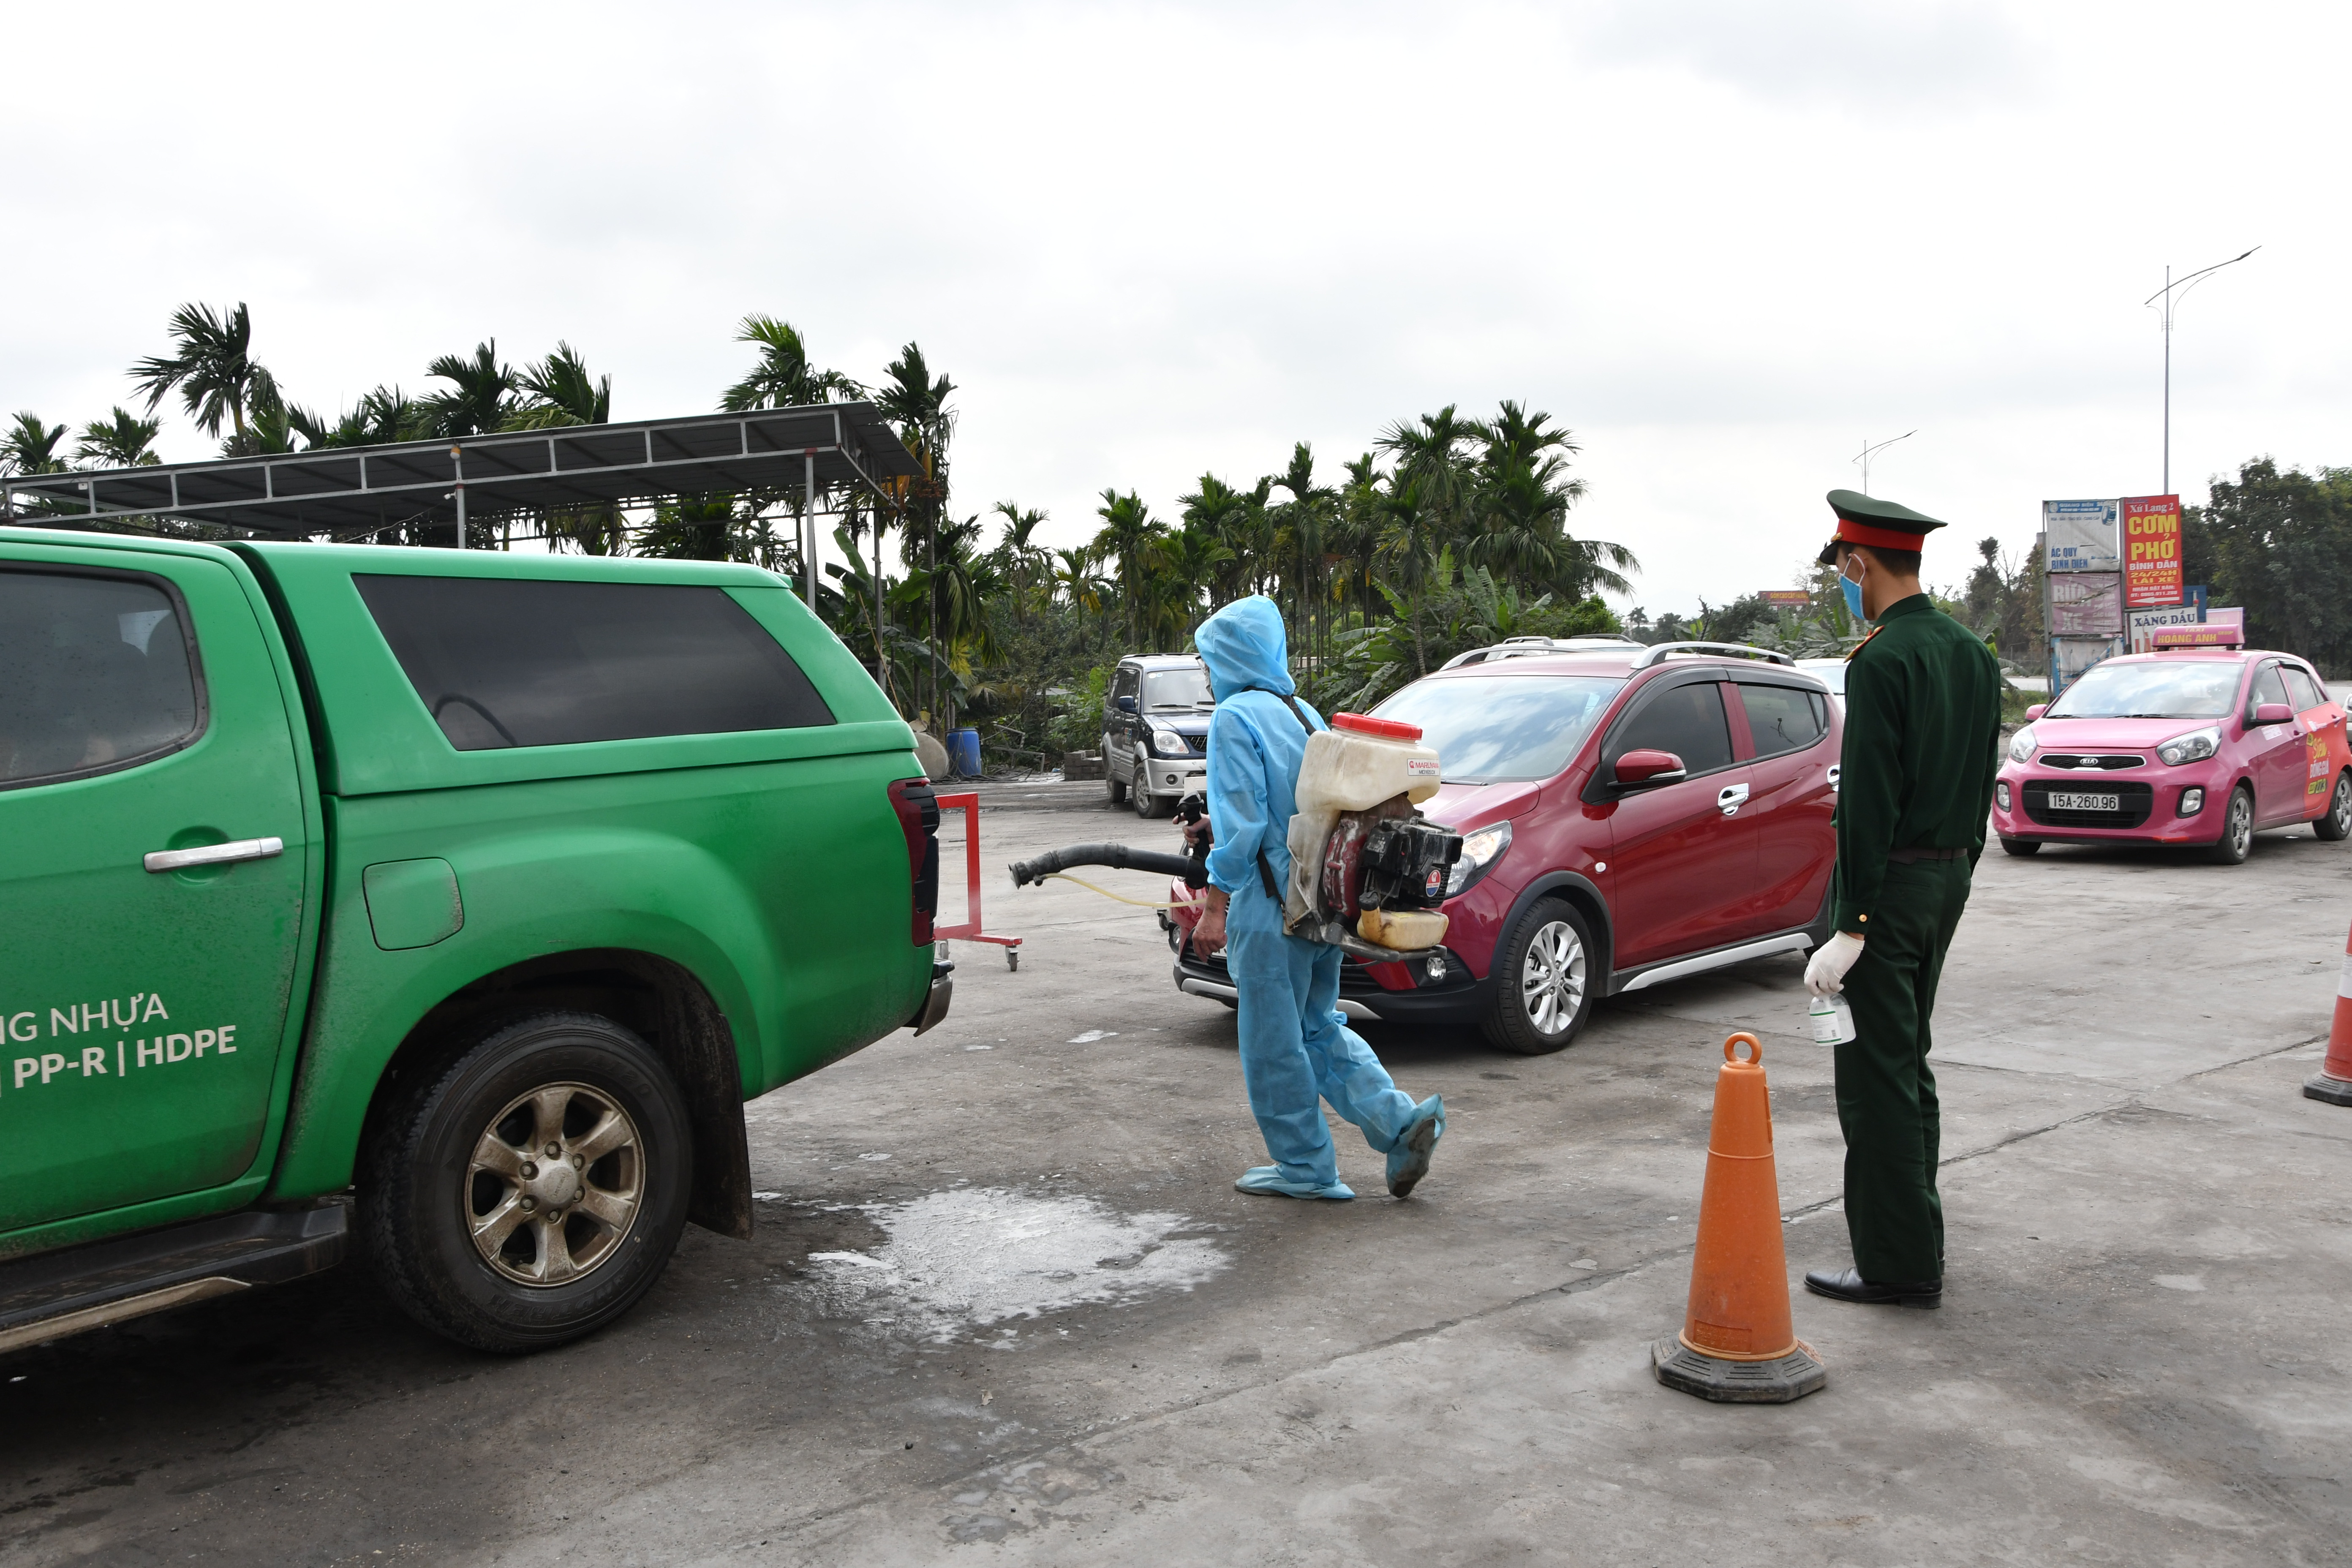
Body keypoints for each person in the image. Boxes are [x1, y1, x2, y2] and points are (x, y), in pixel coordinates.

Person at [1802, 490, 2002, 1308]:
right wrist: (1957, 872)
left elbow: (1868, 805)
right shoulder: (1971, 654)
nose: (1843, 584)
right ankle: (1916, 1238)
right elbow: (1981, 783)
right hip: (1944, 878)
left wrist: (1851, 924)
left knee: (1875, 1079)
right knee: (1907, 1062)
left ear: (1859, 563)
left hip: (1887, 892)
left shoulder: (1882, 661)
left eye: (1842, 571)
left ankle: (1897, 1264)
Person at [1184, 596, 1445, 1200]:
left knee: (1273, 1045)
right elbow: (1298, 807)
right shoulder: (1301, 712)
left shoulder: (1233, 718)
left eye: (1208, 660)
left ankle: (1304, 1168)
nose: (1207, 674)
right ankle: (1400, 1123)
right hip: (1322, 902)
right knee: (1318, 1028)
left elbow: (1245, 831)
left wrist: (1214, 908)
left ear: (1229, 658)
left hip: (1270, 908)